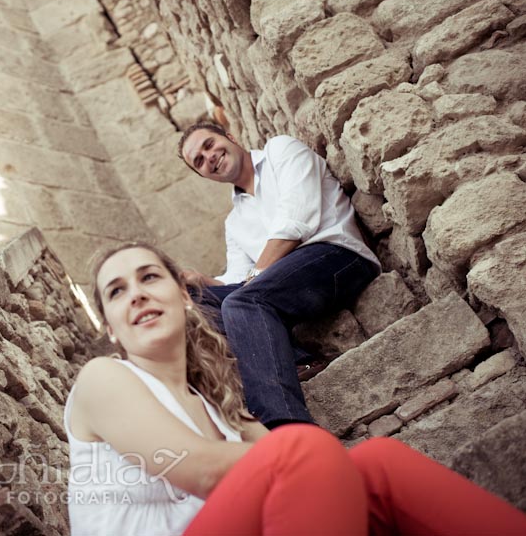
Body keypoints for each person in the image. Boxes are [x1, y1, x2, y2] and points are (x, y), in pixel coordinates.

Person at [65, 242, 526, 536]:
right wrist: (303, 462)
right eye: (117, 291)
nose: (138, 294)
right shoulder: (103, 379)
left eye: (149, 277)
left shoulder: (213, 400)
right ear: (109, 326)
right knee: (302, 449)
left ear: (185, 297)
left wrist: (316, 473)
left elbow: (294, 466)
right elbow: (202, 471)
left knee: (375, 463)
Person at [177, 120, 381, 429]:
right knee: (192, 302)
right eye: (199, 162)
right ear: (203, 175)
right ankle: (298, 358)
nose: (210, 158)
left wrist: (255, 277)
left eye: (209, 146)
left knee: (242, 302)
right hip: (287, 288)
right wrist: (203, 282)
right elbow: (237, 279)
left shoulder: (280, 151)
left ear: (230, 136)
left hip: (338, 258)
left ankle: (283, 423)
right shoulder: (235, 222)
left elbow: (298, 220)